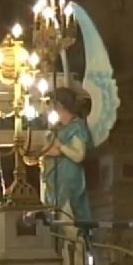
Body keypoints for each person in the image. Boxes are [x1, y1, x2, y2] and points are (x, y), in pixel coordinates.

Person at [42, 87, 93, 222]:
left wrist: (61, 147)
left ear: (62, 107)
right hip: (56, 179)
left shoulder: (76, 127)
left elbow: (79, 155)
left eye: (55, 106)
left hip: (68, 177)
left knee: (68, 217)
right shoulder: (58, 129)